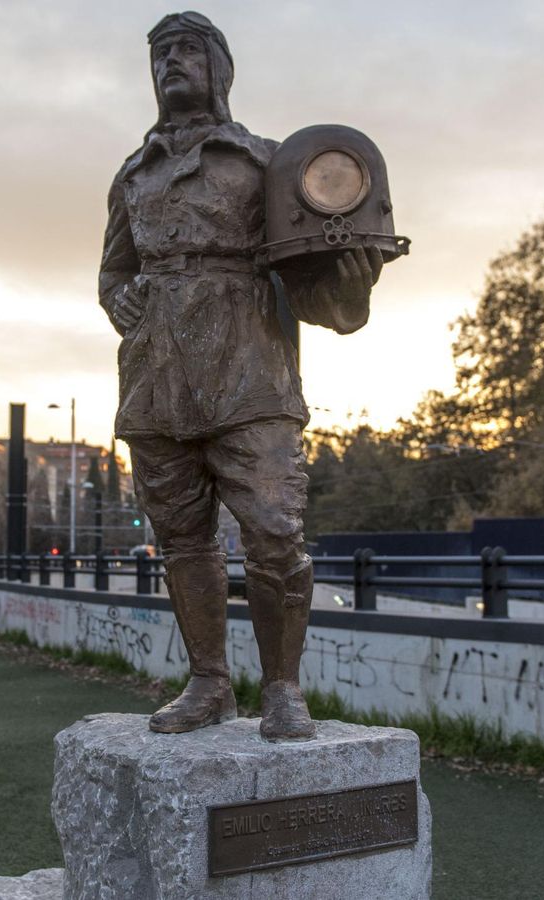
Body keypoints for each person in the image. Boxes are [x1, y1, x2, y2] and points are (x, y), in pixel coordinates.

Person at [99, 12, 382, 741]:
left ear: (221, 69)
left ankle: (282, 688)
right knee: (182, 539)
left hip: (252, 370)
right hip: (157, 377)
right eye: (160, 53)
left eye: (188, 49)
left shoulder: (268, 163)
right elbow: (113, 275)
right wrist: (120, 297)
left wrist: (351, 285)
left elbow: (314, 278)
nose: (171, 62)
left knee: (275, 531)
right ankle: (210, 683)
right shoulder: (133, 176)